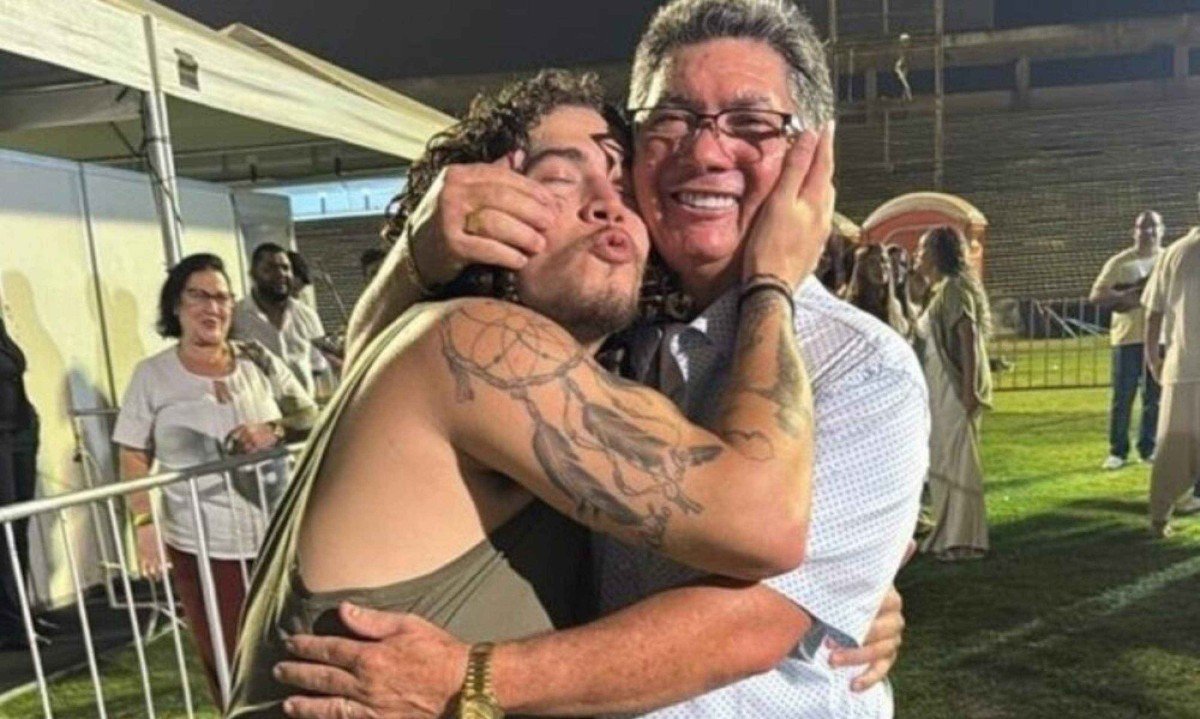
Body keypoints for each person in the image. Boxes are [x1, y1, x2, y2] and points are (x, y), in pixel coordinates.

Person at [285, 2, 926, 717]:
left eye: (751, 123)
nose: (706, 153)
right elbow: (379, 373)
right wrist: (420, 252)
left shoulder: (860, 365)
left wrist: (470, 678)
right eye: (672, 119)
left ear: (812, 156)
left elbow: (749, 625)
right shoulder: (598, 342)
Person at [112, 253, 315, 701]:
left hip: (275, 537)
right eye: (199, 296)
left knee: (295, 649)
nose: (213, 308)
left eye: (222, 297)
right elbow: (133, 453)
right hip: (203, 545)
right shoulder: (153, 375)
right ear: (176, 305)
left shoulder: (257, 359)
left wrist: (274, 429)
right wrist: (144, 525)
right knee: (230, 658)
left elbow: (309, 415)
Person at [913, 226, 992, 561]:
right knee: (943, 458)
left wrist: (969, 390)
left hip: (953, 384)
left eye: (922, 249)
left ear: (936, 253)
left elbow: (967, 337)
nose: (917, 255)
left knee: (959, 462)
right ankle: (947, 532)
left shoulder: (955, 288)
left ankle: (964, 540)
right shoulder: (942, 290)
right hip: (939, 382)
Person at [1089, 210, 1164, 470]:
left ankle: (1148, 448)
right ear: (1134, 231)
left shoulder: (1168, 259)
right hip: (1127, 338)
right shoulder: (1120, 262)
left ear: (1162, 230)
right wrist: (1129, 296)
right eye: (1143, 227)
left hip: (1160, 337)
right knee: (1123, 397)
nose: (1148, 232)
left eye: (1153, 227)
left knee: (1154, 398)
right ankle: (1118, 451)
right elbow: (1096, 295)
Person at [1142, 224, 1200, 537]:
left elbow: (1152, 313)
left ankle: (1159, 518)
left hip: (1182, 367)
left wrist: (1153, 359)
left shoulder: (1175, 252)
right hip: (1185, 365)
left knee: (1173, 447)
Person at [232, 244, 331, 396]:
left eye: (285, 268)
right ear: (253, 274)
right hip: (257, 408)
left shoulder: (307, 315)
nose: (280, 274)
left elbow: (317, 365)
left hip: (304, 407)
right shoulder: (235, 317)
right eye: (270, 268)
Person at [0, 314, 37, 651]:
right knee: (6, 533)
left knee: (20, 528)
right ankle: (13, 622)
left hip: (20, 431)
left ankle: (20, 613)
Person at [843, 243, 911, 337]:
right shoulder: (853, 306)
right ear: (862, 268)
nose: (879, 266)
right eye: (872, 262)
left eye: (884, 260)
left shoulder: (895, 306)